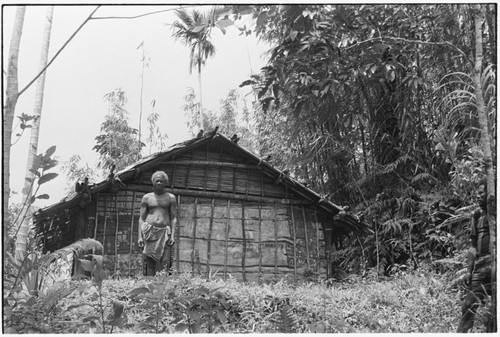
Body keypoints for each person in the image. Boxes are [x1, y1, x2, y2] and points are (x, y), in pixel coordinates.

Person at [457, 180, 493, 332]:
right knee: (468, 306)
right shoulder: (477, 215)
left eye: (481, 193)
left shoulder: (495, 214)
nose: (477, 196)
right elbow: (472, 247)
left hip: (495, 262)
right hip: (481, 265)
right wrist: (468, 271)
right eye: (477, 193)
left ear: (491, 194)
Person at [138, 171, 177, 276]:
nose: (159, 183)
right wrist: (140, 237)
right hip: (150, 232)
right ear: (153, 183)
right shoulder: (147, 198)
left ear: (165, 183)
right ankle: (149, 283)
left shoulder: (171, 198)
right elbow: (141, 218)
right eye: (157, 181)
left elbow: (173, 218)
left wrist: (172, 236)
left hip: (165, 233)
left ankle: (164, 284)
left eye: (161, 181)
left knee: (165, 260)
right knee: (149, 259)